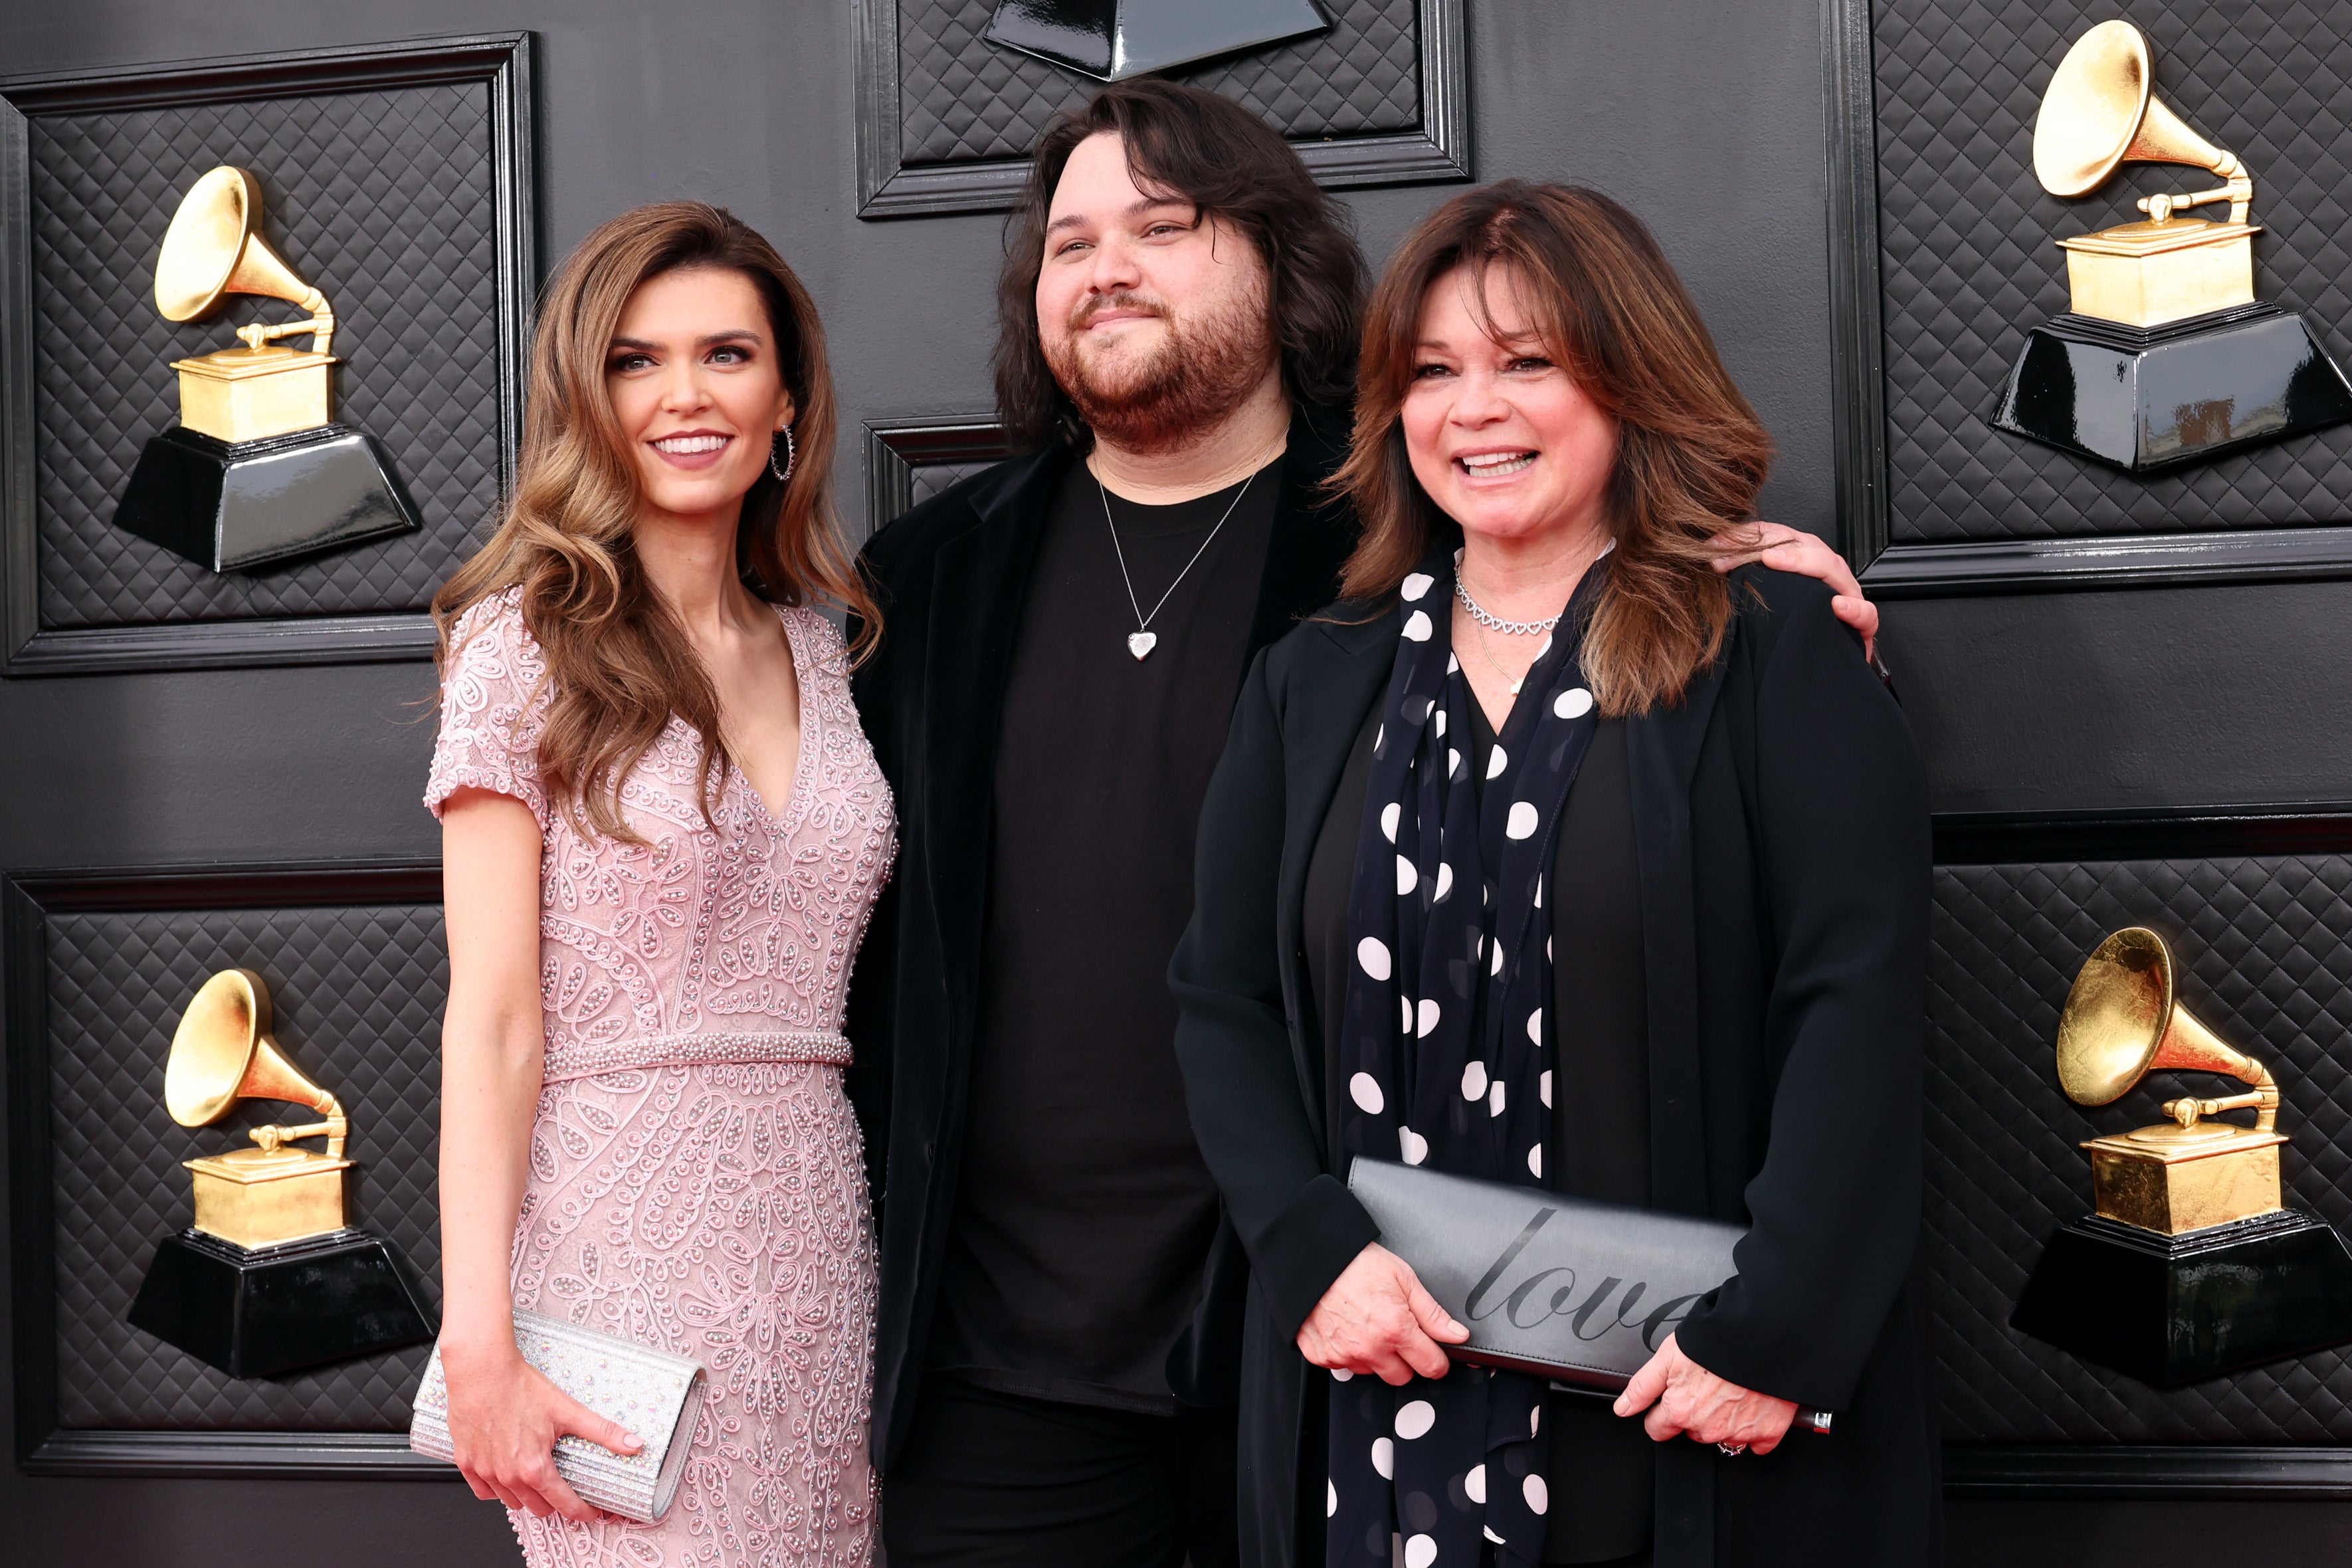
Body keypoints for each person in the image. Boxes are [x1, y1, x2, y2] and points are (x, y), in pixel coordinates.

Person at [845, 82, 1883, 1567]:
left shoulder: (1394, 538)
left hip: (1327, 1342)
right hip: (1007, 1352)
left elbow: (1585, 548)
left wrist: (1733, 566)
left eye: (1160, 225)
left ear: (1278, 261)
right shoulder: (931, 569)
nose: (1103, 267)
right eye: (1066, 242)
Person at [1167, 180, 1938, 1568]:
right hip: (1377, 1415)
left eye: (1529, 363)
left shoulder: (1768, 645)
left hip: (1699, 1418)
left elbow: (1857, 1004)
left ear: (1630, 383)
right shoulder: (1311, 681)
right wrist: (1308, 1250)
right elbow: (1222, 1001)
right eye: (1433, 371)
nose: (1475, 409)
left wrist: (1779, 1330)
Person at [425, 203, 894, 1567]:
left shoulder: (826, 650)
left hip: (819, 1261)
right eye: (636, 360)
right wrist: (479, 1344)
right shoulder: (523, 645)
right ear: (586, 397)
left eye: (726, 354)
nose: (685, 395)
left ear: (787, 397)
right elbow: (494, 1019)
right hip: (615, 1269)